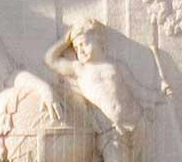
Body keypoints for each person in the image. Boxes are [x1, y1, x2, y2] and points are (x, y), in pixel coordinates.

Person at [44, 18, 142, 162]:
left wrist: (159, 96)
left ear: (99, 40)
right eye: (76, 48)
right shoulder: (80, 69)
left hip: (135, 126)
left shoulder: (116, 66)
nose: (80, 50)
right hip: (110, 132)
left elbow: (138, 89)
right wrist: (66, 40)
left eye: (84, 44)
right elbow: (50, 59)